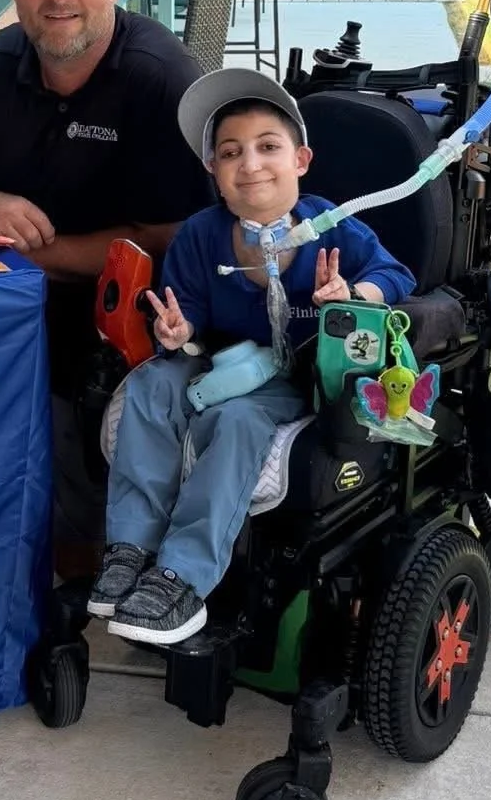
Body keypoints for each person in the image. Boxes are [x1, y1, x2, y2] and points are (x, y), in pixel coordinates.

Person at [89, 68, 415, 645]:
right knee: (148, 386)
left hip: (297, 374)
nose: (251, 165)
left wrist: (353, 296)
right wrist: (175, 327)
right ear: (213, 170)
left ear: (301, 160)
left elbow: (396, 273)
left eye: (269, 148)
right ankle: (130, 547)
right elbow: (183, 304)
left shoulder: (331, 228)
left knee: (235, 420)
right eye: (230, 153)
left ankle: (182, 575)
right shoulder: (202, 233)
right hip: (220, 360)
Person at [0, 0, 214, 569]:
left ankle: (80, 567)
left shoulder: (163, 81)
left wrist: (32, 257)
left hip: (131, 314)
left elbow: (175, 236)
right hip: (4, 294)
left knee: (78, 478)